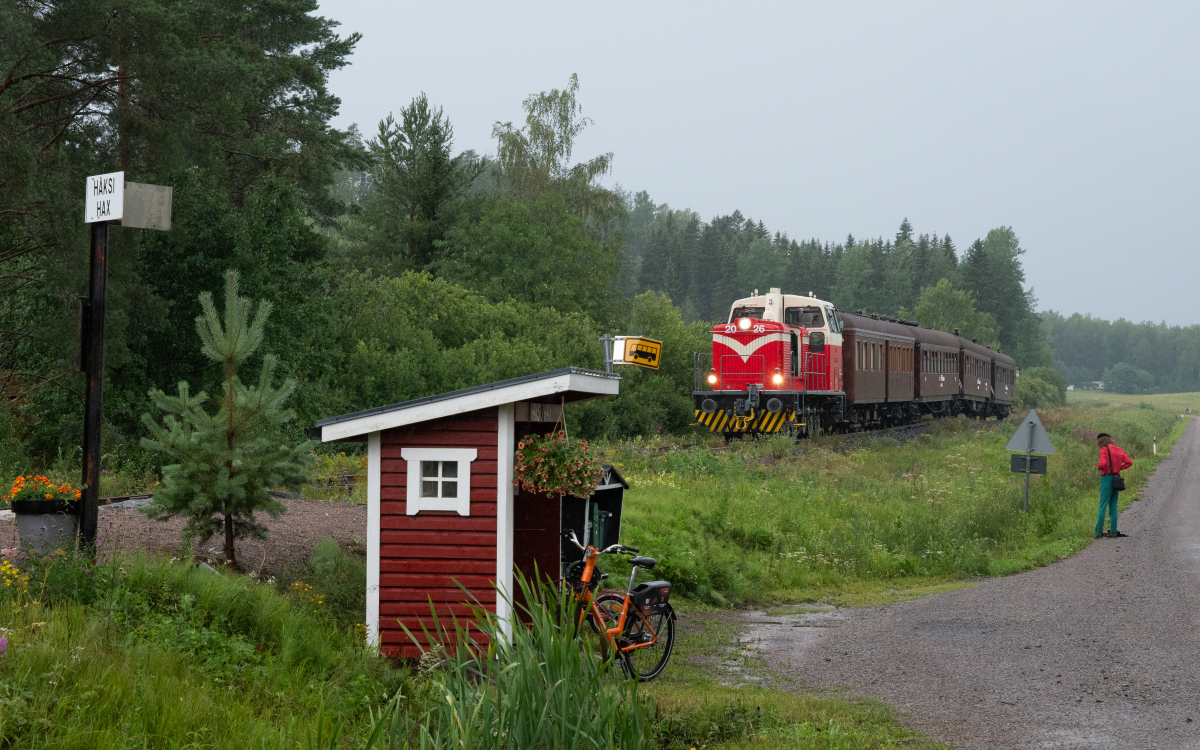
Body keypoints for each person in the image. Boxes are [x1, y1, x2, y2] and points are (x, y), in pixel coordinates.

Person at [1095, 433, 1133, 539]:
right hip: (1116, 479)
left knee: (1102, 505)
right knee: (1113, 506)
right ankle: (1113, 531)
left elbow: (1102, 464)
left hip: (1106, 479)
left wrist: (1099, 466)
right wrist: (1118, 468)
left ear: (1100, 441)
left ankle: (1098, 532)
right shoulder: (1119, 450)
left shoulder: (1103, 450)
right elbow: (1129, 462)